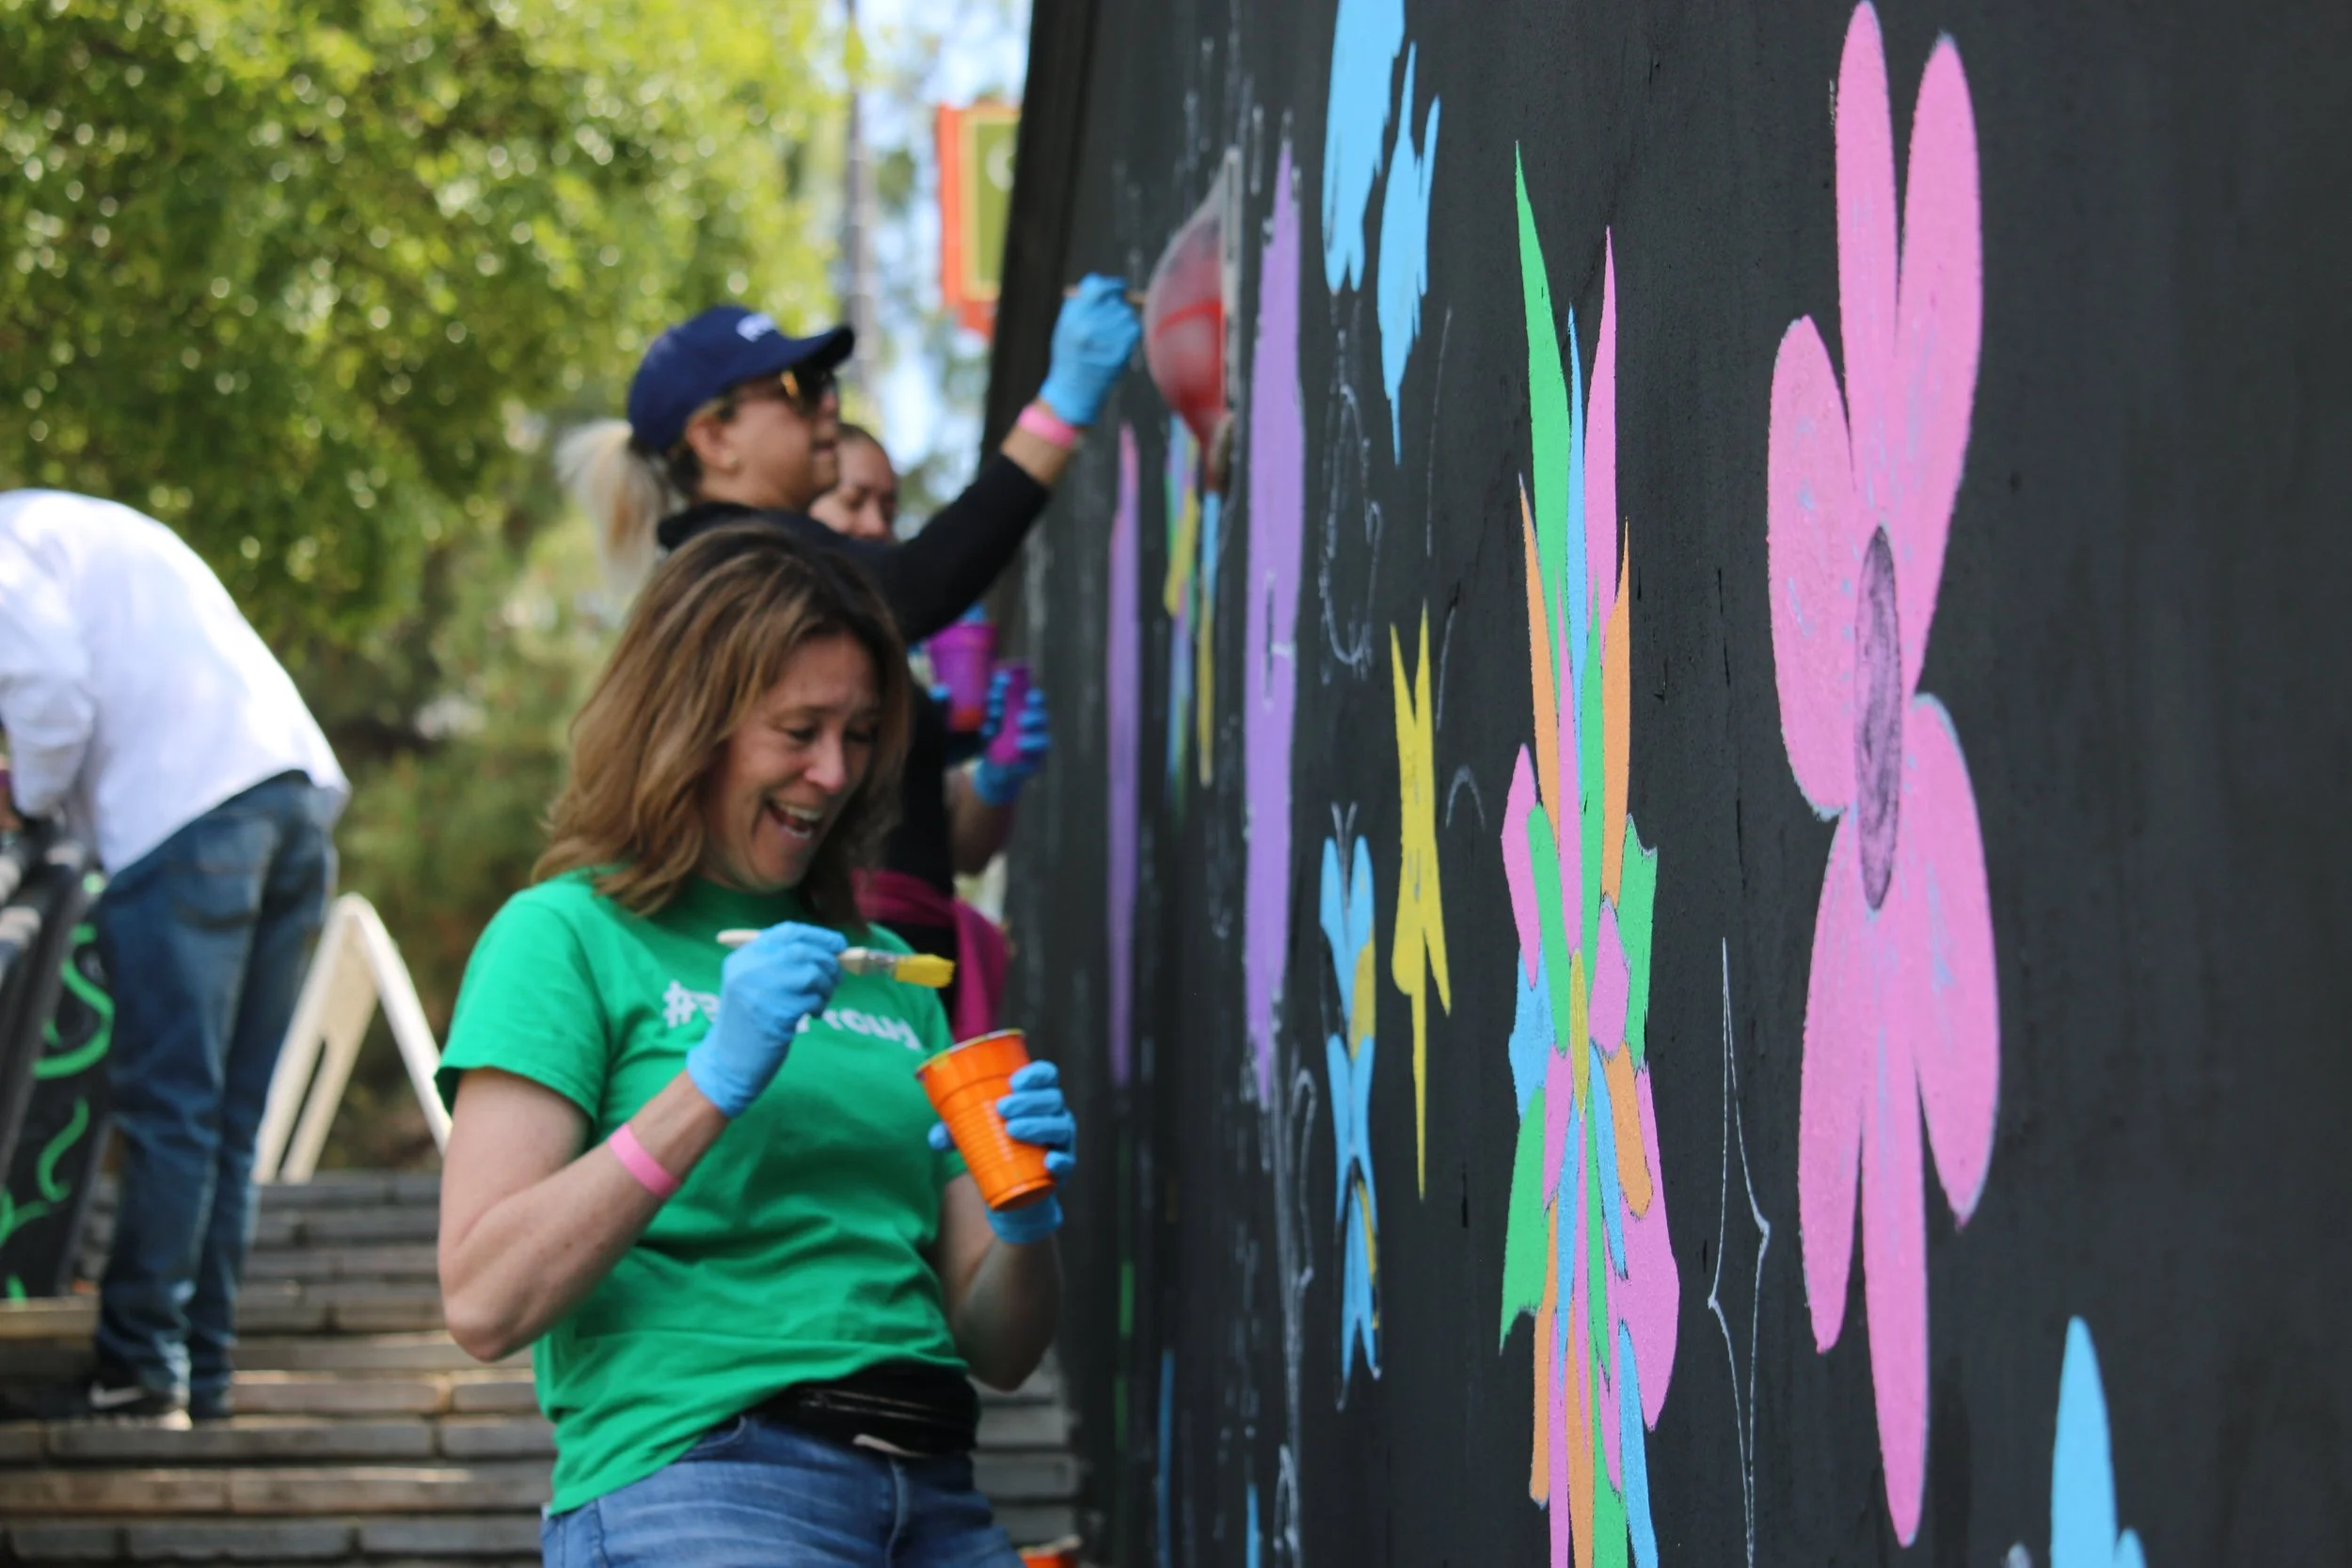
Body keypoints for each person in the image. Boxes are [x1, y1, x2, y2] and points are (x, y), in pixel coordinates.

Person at [435, 524, 1080, 1566]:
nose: (833, 771)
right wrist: (711, 1082)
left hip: (938, 1495)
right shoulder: (564, 935)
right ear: (689, 725)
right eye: (798, 730)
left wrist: (1027, 1218)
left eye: (860, 733)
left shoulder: (891, 974)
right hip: (702, 1483)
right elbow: (482, 1299)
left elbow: (1000, 1347)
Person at [0, 489, 345, 1426]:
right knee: (225, 1120)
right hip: (293, 800)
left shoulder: (9, 542)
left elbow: (49, 694)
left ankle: (141, 1366)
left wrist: (26, 799)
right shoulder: (76, 526)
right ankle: (203, 1366)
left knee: (175, 1110)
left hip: (185, 815)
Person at [812, 428, 1054, 1035]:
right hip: (835, 960)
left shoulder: (904, 663)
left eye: (889, 509)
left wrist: (994, 780)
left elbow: (964, 850)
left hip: (926, 964)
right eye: (853, 501)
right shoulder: (783, 666)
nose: (876, 526)